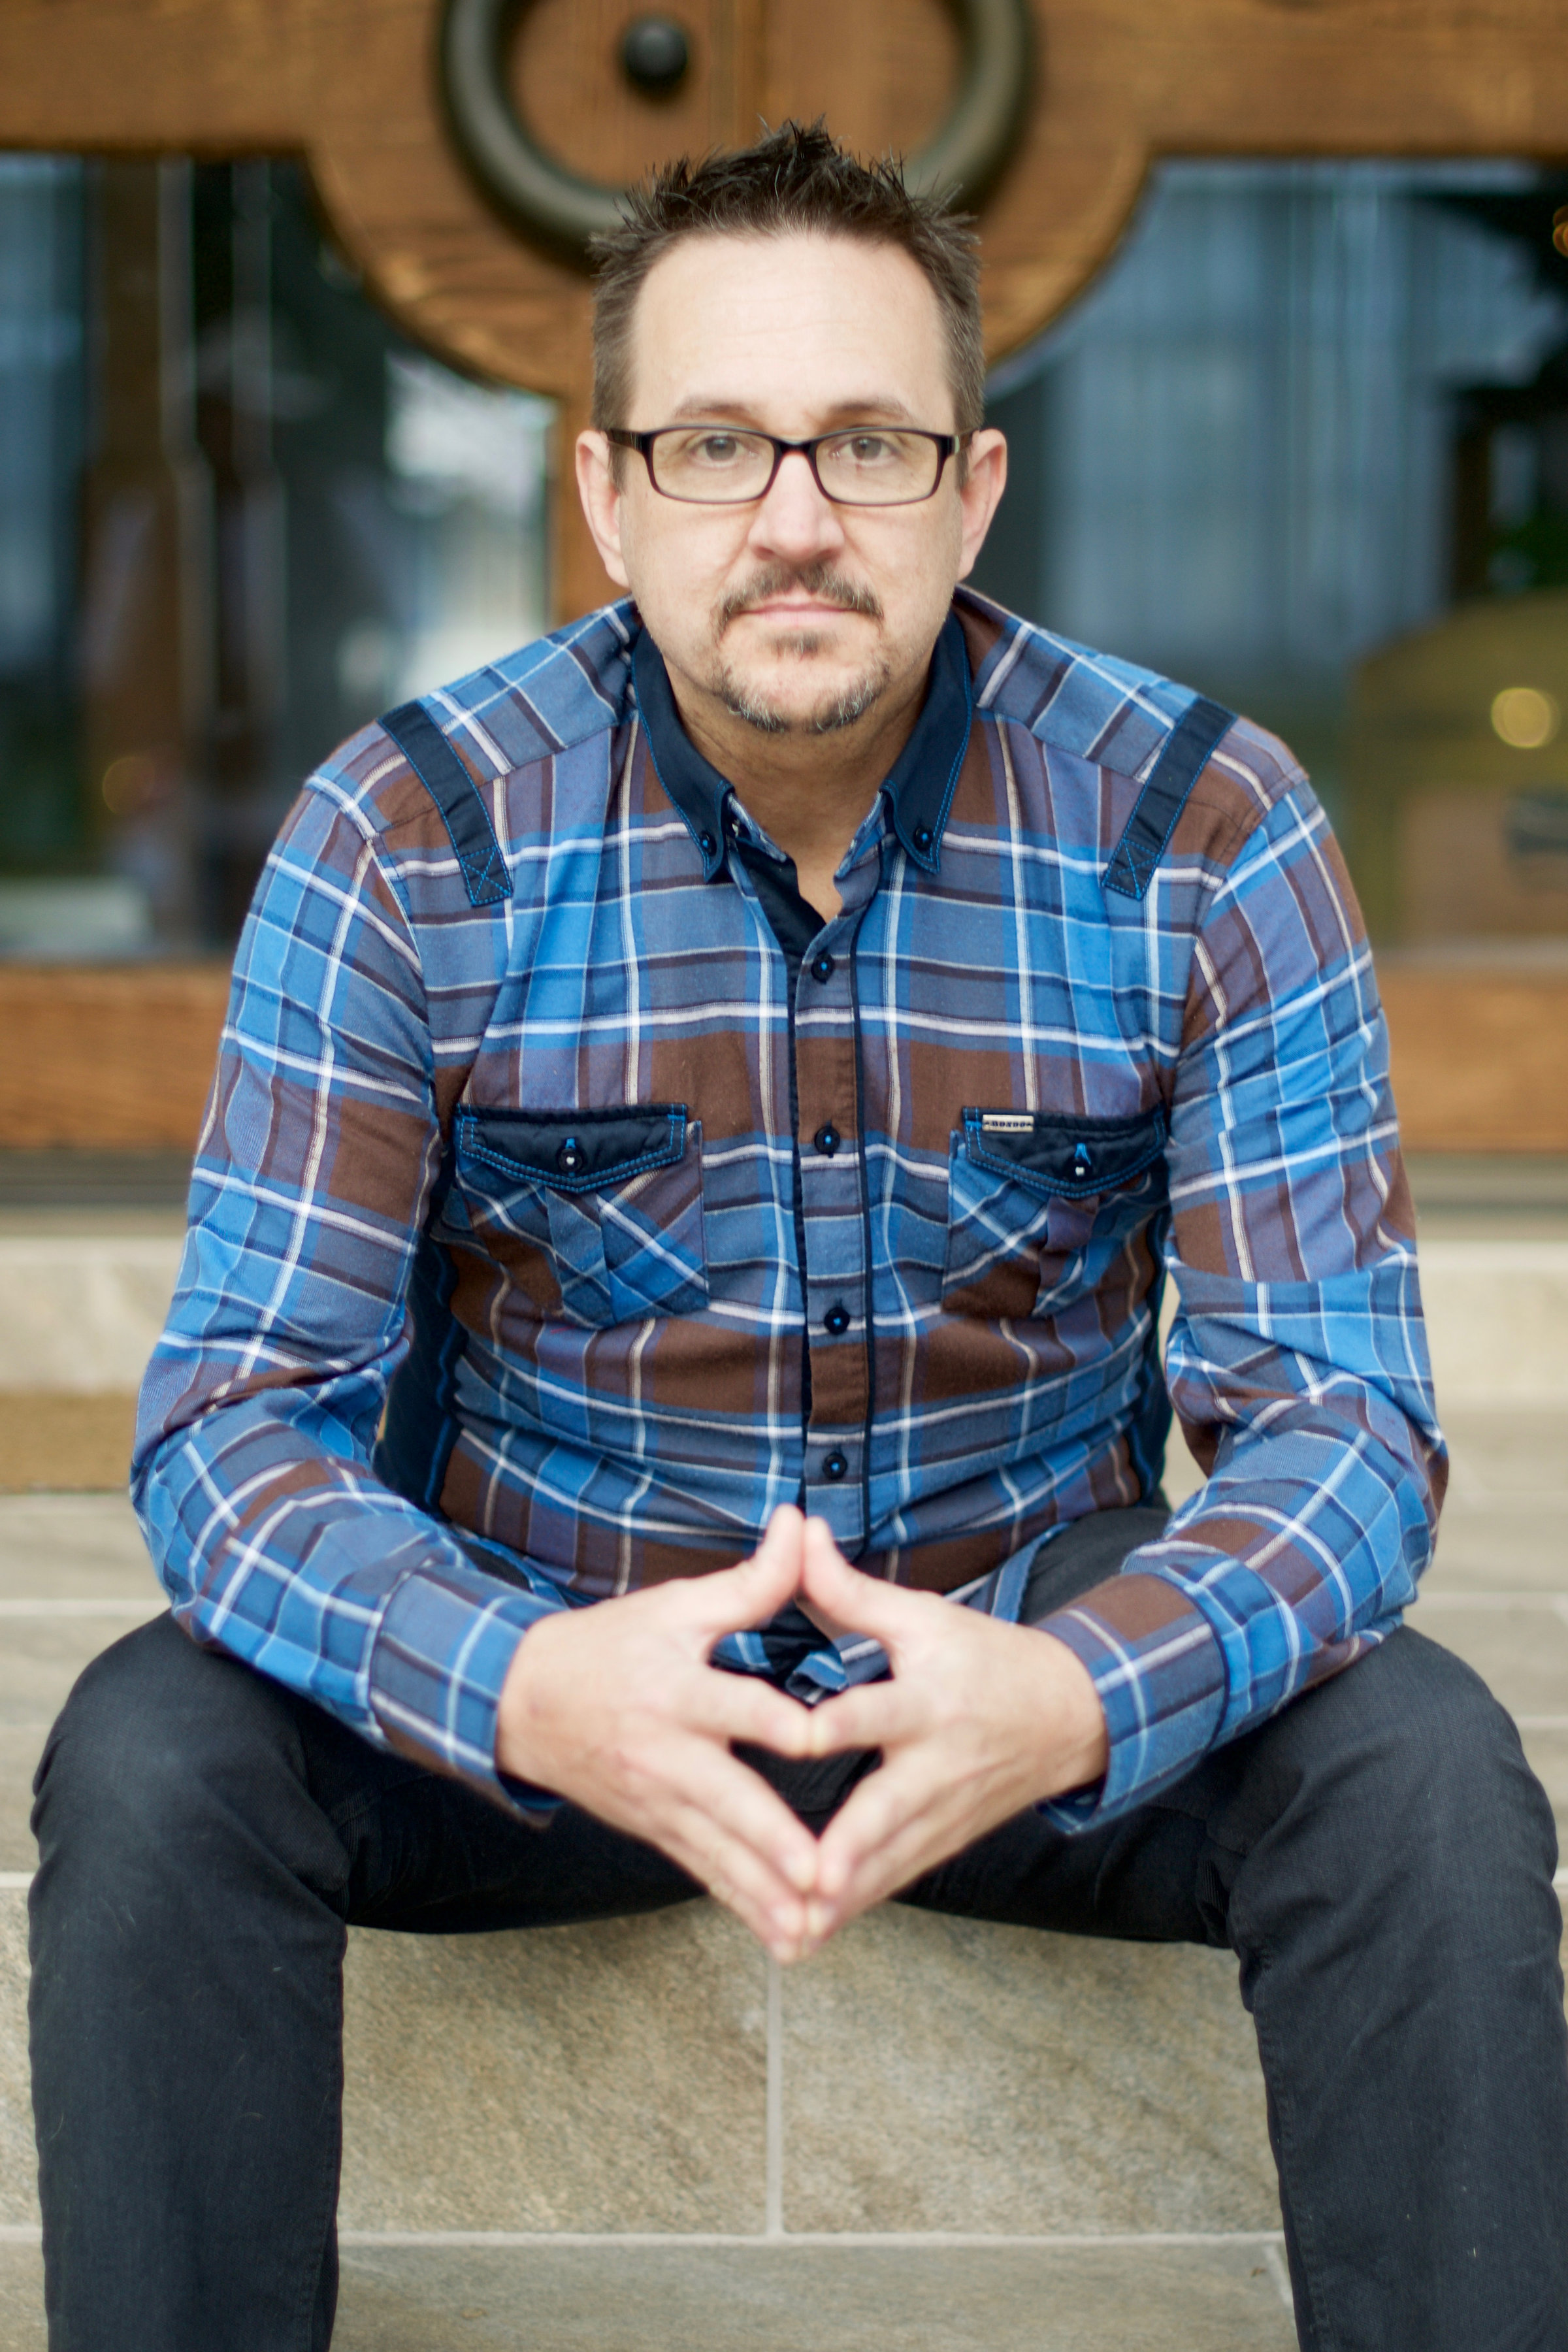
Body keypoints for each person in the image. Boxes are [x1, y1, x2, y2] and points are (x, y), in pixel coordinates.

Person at [28, 122, 1566, 2351]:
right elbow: (234, 1421)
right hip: (549, 1677)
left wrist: (1071, 1690)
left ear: (975, 486)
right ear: (605, 489)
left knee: (1421, 1769)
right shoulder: (407, 836)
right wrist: (523, 1678)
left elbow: (1344, 1421)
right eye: (719, 441)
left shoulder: (1207, 828)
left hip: (1016, 1665)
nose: (795, 518)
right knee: (153, 1753)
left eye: (868, 442)